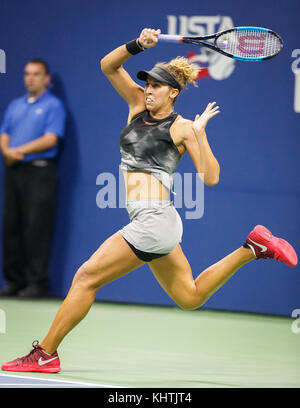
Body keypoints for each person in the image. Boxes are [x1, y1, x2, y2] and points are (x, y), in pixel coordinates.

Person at [1, 28, 297, 373]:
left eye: (156, 85)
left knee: (85, 278)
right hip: (156, 224)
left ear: (173, 92)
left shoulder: (182, 127)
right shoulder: (137, 106)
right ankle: (252, 248)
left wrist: (201, 136)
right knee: (190, 296)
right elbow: (108, 66)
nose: (148, 89)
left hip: (154, 221)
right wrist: (138, 44)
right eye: (147, 83)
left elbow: (211, 177)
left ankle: (46, 353)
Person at [0, 59, 66, 298]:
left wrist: (20, 151)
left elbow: (51, 139)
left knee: (36, 227)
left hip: (40, 171)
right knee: (11, 226)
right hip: (13, 170)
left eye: (36, 74)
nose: (31, 78)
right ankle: (15, 282)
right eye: (27, 74)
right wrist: (8, 151)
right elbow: (4, 133)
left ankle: (37, 284)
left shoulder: (53, 106)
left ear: (46, 79)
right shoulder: (15, 105)